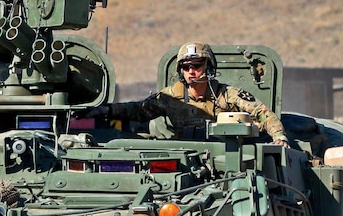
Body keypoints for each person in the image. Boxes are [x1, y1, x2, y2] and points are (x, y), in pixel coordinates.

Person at [88, 43, 290, 145]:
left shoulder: (228, 95)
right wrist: (104, 110)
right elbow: (137, 110)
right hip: (185, 158)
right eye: (186, 67)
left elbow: (264, 113)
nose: (191, 71)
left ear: (209, 67)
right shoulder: (170, 97)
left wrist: (279, 137)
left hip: (226, 157)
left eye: (197, 65)